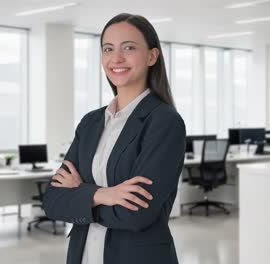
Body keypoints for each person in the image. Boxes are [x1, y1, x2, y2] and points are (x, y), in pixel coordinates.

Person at [43, 13, 186, 264]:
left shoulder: (164, 122)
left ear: (152, 56)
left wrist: (81, 195)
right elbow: (53, 201)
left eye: (129, 48)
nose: (116, 58)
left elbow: (136, 214)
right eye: (108, 49)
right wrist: (105, 195)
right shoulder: (90, 123)